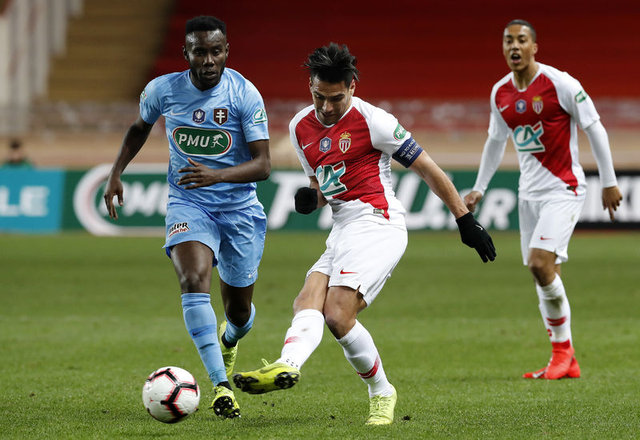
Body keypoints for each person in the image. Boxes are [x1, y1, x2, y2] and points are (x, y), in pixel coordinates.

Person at [233, 43, 496, 425]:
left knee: (338, 313)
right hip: (342, 227)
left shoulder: (375, 121)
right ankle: (287, 364)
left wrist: (464, 220)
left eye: (335, 98)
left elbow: (428, 169)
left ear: (352, 87)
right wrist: (312, 199)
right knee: (307, 300)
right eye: (319, 97)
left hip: (378, 222)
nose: (326, 107)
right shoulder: (299, 127)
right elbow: (322, 186)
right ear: (310, 86)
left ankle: (381, 392)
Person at [103, 15, 271, 418]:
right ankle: (221, 386)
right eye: (200, 52)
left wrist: (216, 175)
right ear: (186, 53)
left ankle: (230, 339)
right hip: (188, 202)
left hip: (239, 209)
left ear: (226, 51)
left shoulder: (244, 94)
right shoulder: (163, 90)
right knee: (193, 279)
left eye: (216, 51)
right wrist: (116, 172)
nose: (208, 60)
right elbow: (139, 128)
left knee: (239, 313)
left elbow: (263, 165)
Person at [464, 20, 622, 380]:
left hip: (563, 188)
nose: (514, 46)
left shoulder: (560, 84)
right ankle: (564, 360)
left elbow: (594, 127)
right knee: (545, 274)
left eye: (521, 40)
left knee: (539, 264)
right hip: (528, 195)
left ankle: (563, 351)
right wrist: (480, 187)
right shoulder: (500, 93)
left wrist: (609, 182)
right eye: (508, 41)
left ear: (534, 47)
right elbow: (495, 141)